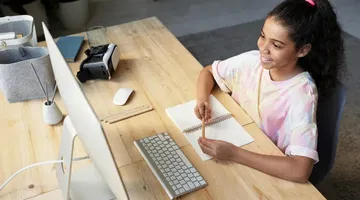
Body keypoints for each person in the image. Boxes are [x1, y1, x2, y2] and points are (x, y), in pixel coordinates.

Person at [194, 0, 345, 183]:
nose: (263, 48)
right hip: (240, 145)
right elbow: (208, 71)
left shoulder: (301, 95)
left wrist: (234, 153)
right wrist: (202, 99)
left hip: (264, 167)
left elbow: (300, 170)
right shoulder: (251, 62)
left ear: (303, 50)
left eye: (277, 45)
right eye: (262, 36)